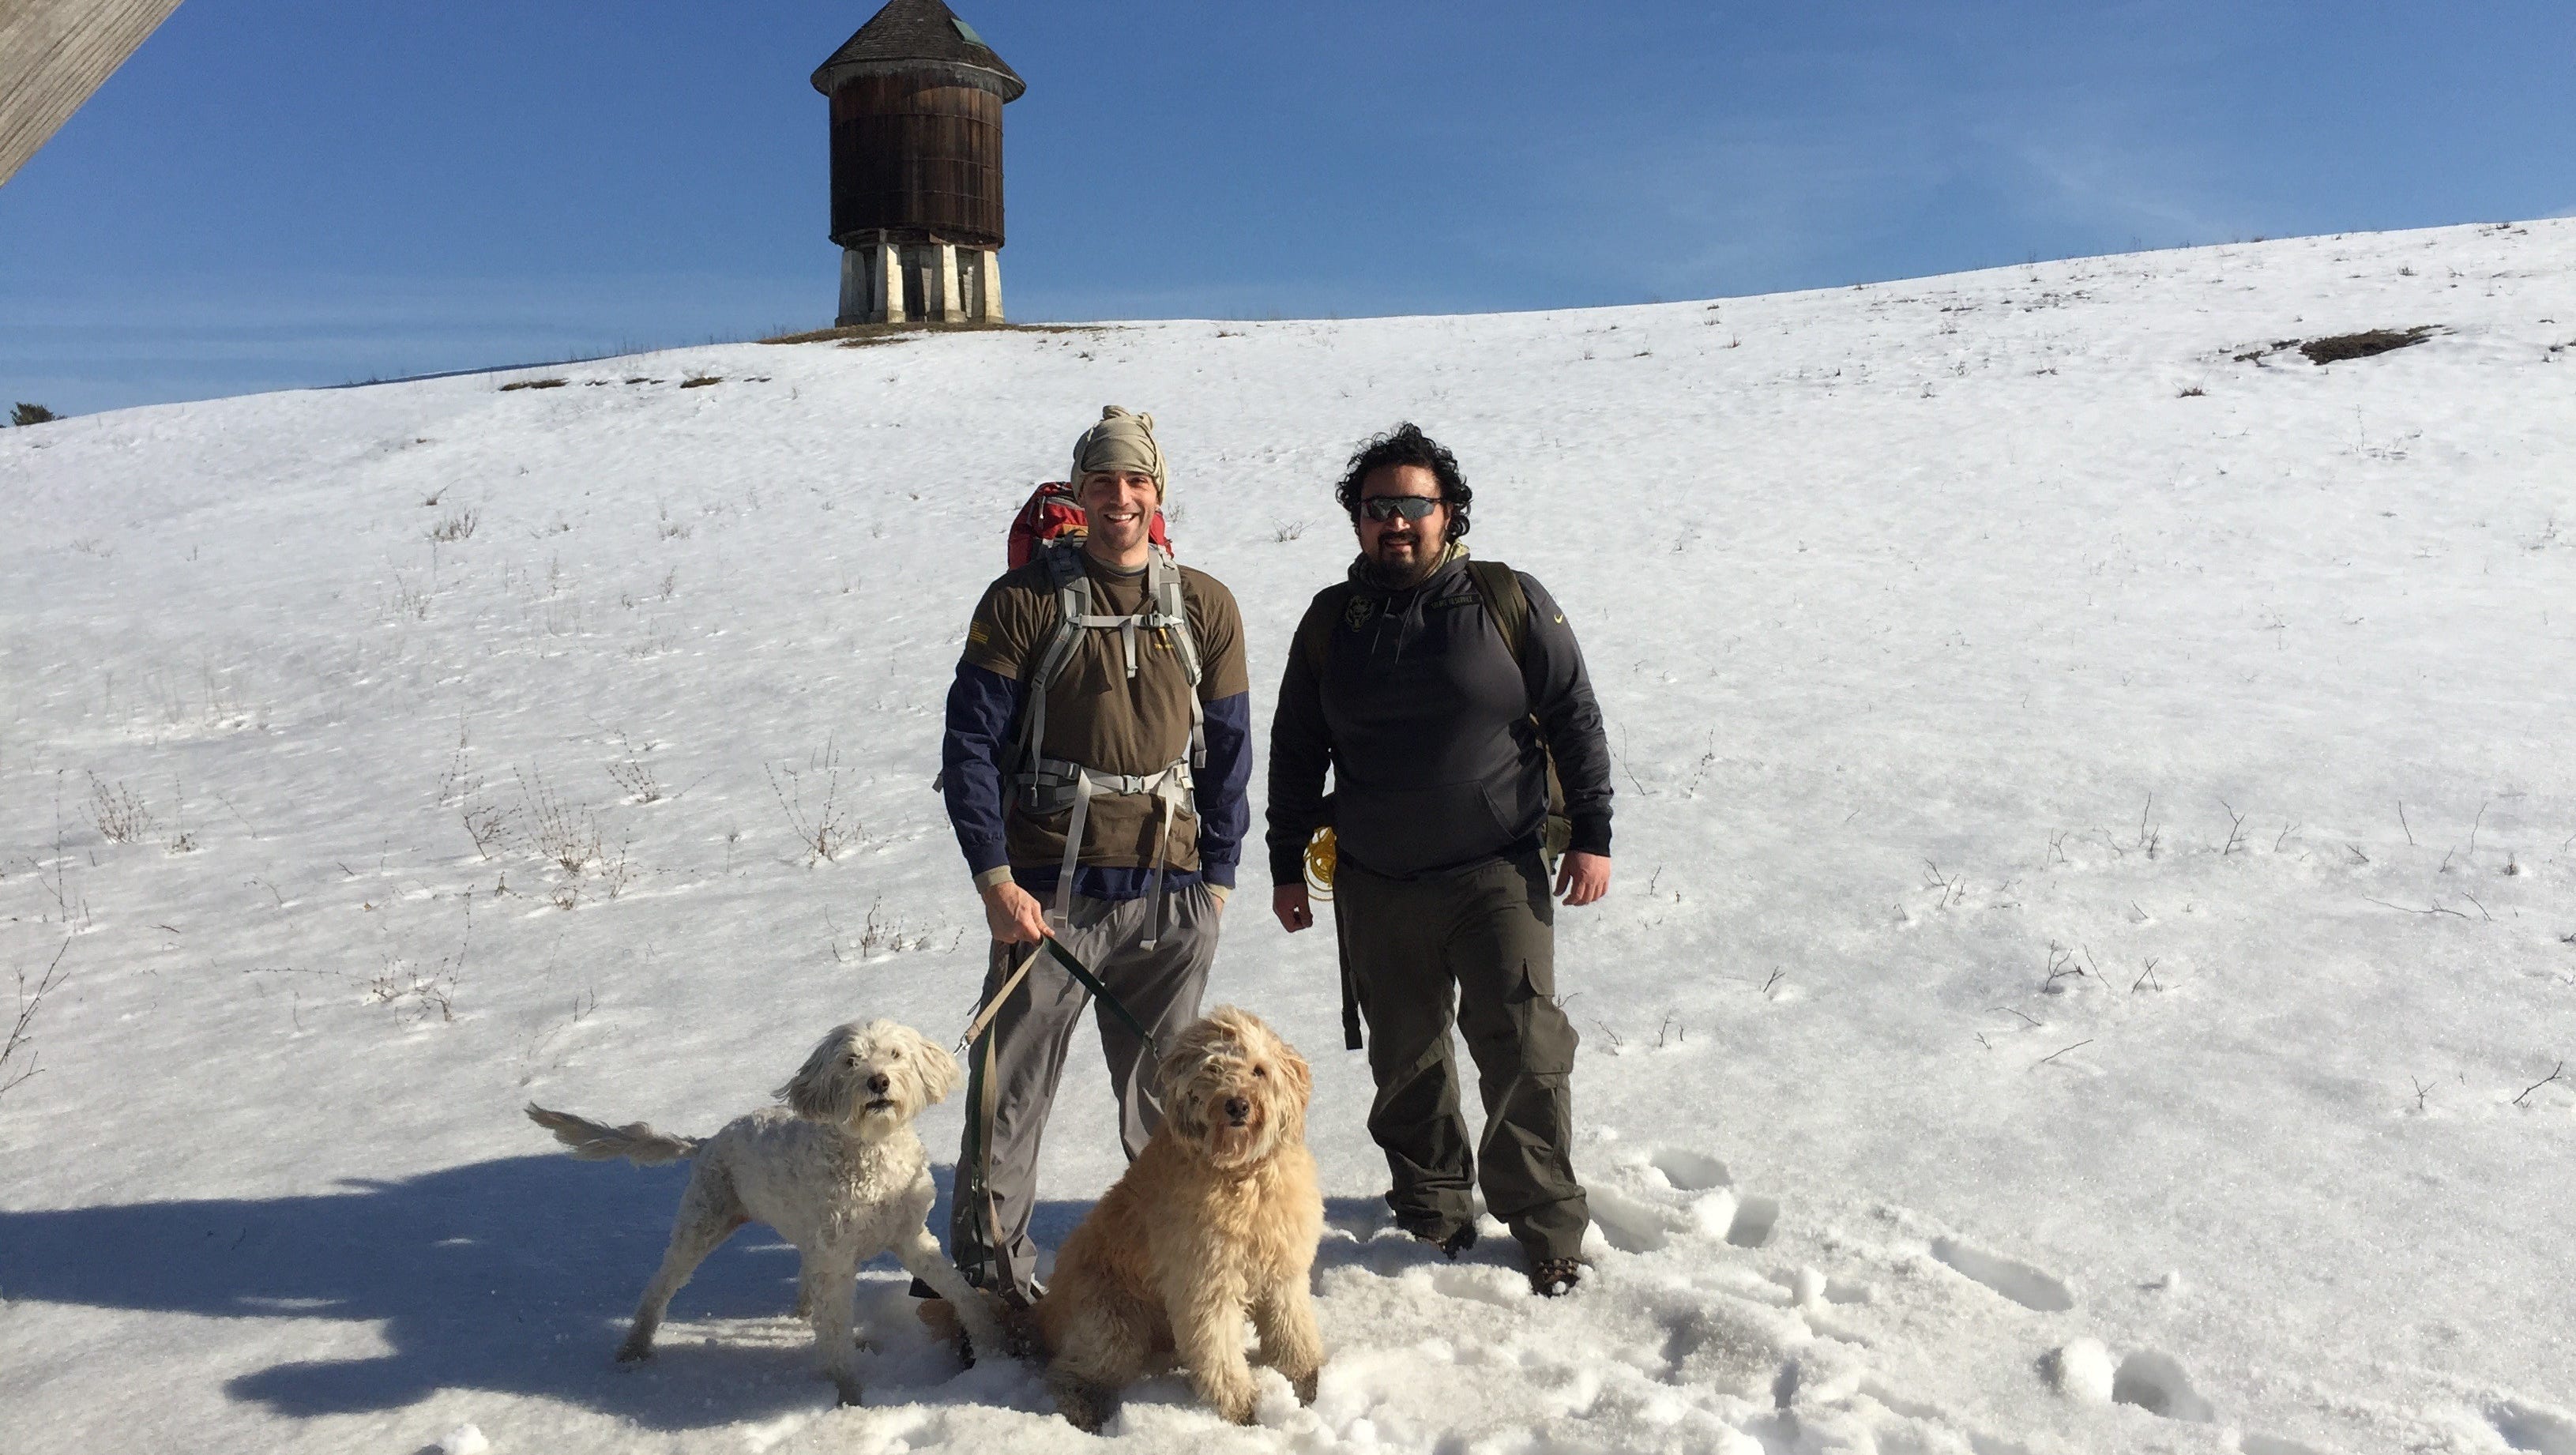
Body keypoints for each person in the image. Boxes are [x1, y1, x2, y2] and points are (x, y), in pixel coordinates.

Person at [1267, 423, 1612, 1297]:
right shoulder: (1330, 622)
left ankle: (1546, 1228)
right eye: (1378, 507)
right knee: (1408, 1062)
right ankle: (1431, 1208)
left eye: (1413, 505)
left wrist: (1594, 835)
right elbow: (1297, 748)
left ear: (1448, 513)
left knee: (1526, 1052)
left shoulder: (1506, 600)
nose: (1396, 522)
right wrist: (1283, 864)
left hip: (1497, 872)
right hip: (1376, 881)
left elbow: (1573, 712)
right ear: (1357, 520)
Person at [940, 405, 1252, 1307]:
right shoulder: (1023, 601)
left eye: (1137, 481)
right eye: (1104, 481)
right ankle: (990, 1293)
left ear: (1159, 495)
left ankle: (1185, 1279)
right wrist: (995, 880)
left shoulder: (1206, 603)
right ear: (1078, 493)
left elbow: (1227, 750)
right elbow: (969, 748)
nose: (1121, 497)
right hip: (1049, 893)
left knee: (1173, 1106)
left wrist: (1220, 878)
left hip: (1174, 892)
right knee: (1011, 1097)